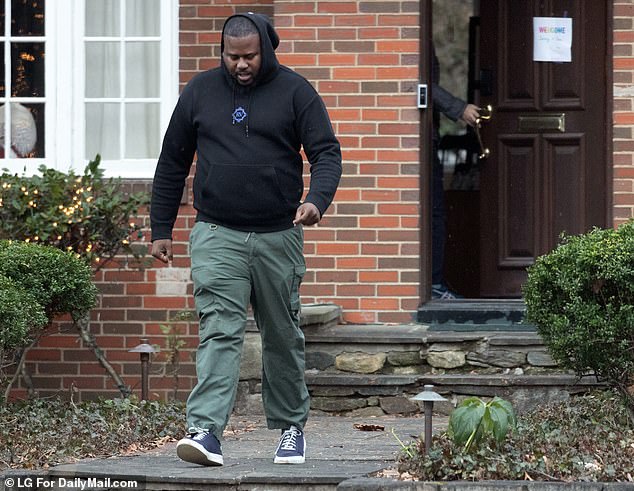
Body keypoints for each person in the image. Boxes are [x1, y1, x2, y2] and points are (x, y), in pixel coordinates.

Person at [150, 13, 342, 466]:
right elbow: (172, 162)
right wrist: (161, 229)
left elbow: (326, 153)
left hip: (279, 234)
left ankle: (291, 428)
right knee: (219, 329)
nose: (240, 64)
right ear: (222, 51)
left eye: (249, 56)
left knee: (281, 333)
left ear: (266, 50)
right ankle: (206, 431)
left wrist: (316, 200)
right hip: (217, 232)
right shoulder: (199, 91)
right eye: (232, 56)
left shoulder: (296, 92)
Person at [431, 45, 479, 300]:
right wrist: (458, 108)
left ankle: (435, 283)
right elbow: (421, 82)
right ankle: (434, 285)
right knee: (434, 215)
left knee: (436, 215)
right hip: (422, 142)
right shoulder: (416, 43)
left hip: (429, 140)